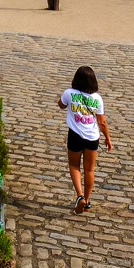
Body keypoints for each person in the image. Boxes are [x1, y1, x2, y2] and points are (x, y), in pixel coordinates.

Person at [57, 65, 112, 214]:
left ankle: (80, 196)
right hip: (92, 137)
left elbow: (61, 105)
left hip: (75, 135)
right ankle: (87, 201)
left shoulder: (69, 93)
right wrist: (108, 138)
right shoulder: (97, 98)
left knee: (74, 166)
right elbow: (102, 122)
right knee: (89, 169)